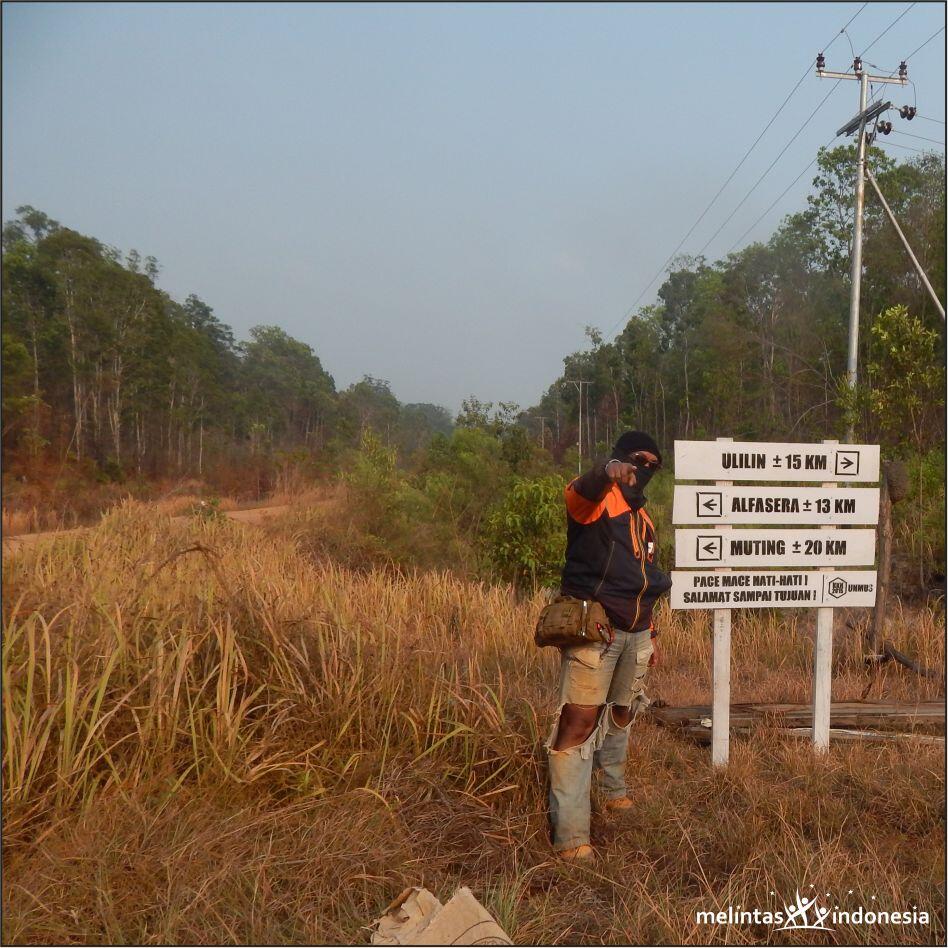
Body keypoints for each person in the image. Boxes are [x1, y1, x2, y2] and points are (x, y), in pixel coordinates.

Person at [545, 430, 673, 861]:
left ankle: (613, 790)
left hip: (636, 633)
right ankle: (571, 835)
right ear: (620, 457)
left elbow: (645, 581)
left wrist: (650, 633)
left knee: (623, 710)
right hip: (597, 630)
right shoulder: (595, 502)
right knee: (578, 722)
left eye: (653, 464)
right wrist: (606, 472)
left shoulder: (644, 518)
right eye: (637, 460)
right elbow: (582, 491)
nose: (644, 469)